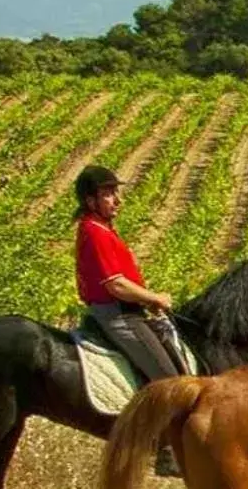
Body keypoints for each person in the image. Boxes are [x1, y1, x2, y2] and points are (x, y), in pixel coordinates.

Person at [75, 165, 188, 386]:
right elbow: (116, 285)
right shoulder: (94, 232)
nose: (118, 200)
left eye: (116, 193)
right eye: (108, 194)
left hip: (129, 310)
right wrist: (154, 298)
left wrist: (144, 300)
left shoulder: (102, 228)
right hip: (119, 316)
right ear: (90, 202)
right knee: (173, 384)